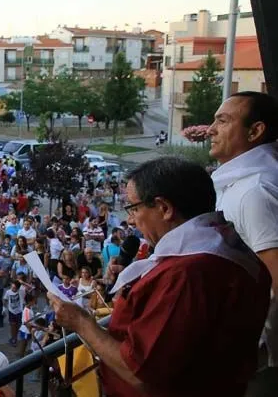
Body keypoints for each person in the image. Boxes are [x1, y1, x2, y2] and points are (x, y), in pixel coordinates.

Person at [49, 157, 271, 397]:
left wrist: (81, 322)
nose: (131, 220)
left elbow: (141, 374)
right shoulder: (222, 246)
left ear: (164, 208)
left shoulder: (186, 275)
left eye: (134, 208)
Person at [208, 91, 278, 366]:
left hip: (259, 355)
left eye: (223, 121)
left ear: (255, 131)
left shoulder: (256, 191)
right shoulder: (244, 182)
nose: (211, 129)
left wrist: (260, 348)